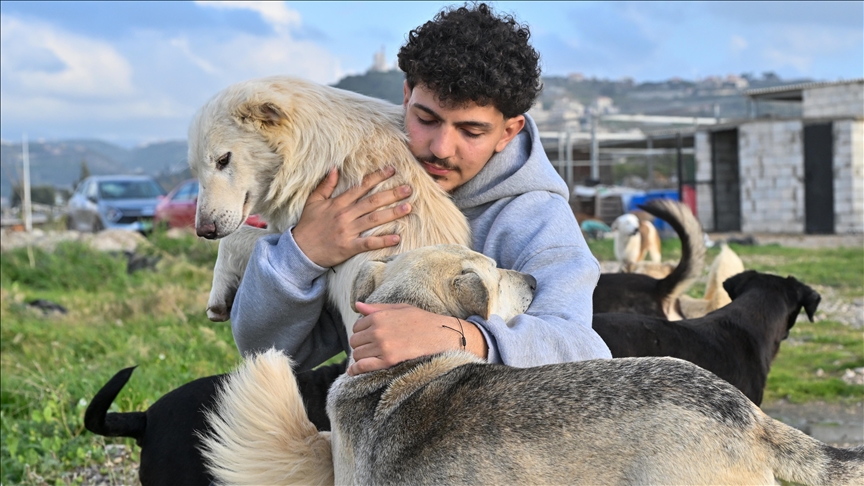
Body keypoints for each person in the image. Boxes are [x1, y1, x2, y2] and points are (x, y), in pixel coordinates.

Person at [230, 3, 611, 377]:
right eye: (426, 119)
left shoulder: (538, 220)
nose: (440, 148)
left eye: (471, 131)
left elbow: (582, 350)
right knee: (191, 407)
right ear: (406, 95)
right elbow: (269, 354)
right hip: (371, 408)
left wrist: (455, 337)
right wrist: (303, 253)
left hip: (477, 425)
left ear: (508, 131)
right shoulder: (364, 187)